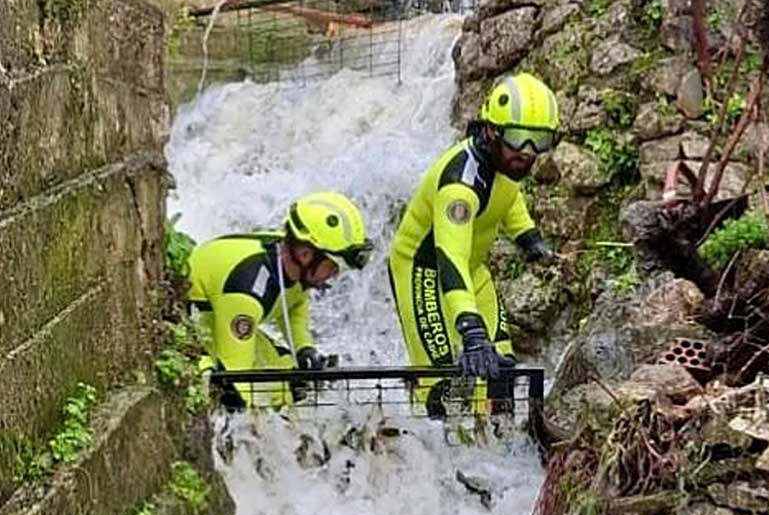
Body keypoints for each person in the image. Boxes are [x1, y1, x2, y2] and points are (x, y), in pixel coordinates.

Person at [388, 72, 561, 417]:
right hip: (425, 271)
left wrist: (527, 236)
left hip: (471, 269)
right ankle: (429, 448)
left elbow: (507, 198)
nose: (527, 153)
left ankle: (492, 446)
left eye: (539, 141)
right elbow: (449, 258)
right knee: (442, 378)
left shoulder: (505, 165)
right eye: (517, 138)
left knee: (501, 366)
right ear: (491, 131)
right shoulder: (460, 186)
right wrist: (470, 330)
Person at [188, 191, 373, 409]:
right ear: (305, 254)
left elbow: (295, 304)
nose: (334, 275)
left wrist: (304, 349)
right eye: (333, 266)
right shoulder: (247, 292)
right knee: (248, 393)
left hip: (226, 312)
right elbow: (236, 376)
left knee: (291, 378)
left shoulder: (291, 261)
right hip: (196, 321)